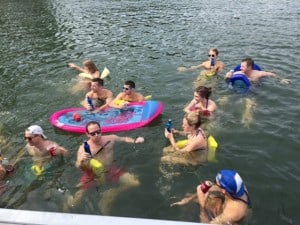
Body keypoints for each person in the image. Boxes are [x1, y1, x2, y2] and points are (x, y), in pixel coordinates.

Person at [65, 121, 144, 215]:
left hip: (111, 170)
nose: (97, 135)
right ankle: (67, 199)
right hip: (93, 175)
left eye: (98, 131)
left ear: (101, 130)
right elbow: (78, 166)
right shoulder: (84, 148)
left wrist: (135, 140)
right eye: (93, 133)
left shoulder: (110, 139)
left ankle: (111, 193)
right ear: (87, 134)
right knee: (74, 203)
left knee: (135, 183)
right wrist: (80, 161)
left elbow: (124, 139)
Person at [225, 57, 290, 84]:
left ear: (249, 67)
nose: (240, 67)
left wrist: (281, 79)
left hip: (256, 86)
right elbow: (228, 77)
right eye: (241, 66)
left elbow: (271, 74)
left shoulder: (258, 74)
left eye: (243, 66)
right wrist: (228, 76)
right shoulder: (239, 72)